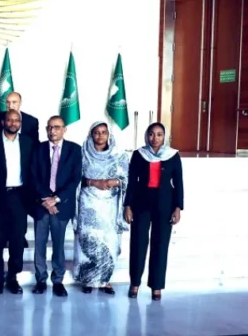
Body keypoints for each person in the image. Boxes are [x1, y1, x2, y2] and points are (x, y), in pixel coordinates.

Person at [125, 122, 183, 301]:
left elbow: (179, 183)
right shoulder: (139, 155)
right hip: (141, 205)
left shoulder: (172, 155)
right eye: (151, 134)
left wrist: (178, 207)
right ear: (146, 136)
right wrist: (128, 206)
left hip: (165, 206)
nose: (155, 138)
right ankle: (135, 283)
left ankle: (156, 286)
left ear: (164, 137)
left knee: (160, 245)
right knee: (138, 244)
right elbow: (132, 182)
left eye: (159, 134)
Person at [73, 121, 129, 295]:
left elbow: (127, 178)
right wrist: (93, 182)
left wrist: (115, 182)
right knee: (88, 238)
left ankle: (105, 280)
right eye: (96, 132)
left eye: (104, 132)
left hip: (109, 205)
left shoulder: (119, 155)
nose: (100, 135)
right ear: (91, 134)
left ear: (108, 134)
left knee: (108, 241)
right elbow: (74, 178)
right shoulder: (82, 154)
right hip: (88, 204)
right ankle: (87, 279)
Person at [31, 116, 81, 297]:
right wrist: (46, 200)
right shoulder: (38, 149)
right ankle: (40, 280)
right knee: (40, 245)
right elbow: (33, 176)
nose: (52, 131)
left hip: (62, 206)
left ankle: (58, 281)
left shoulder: (74, 150)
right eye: (50, 127)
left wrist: (56, 199)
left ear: (64, 129)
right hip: (41, 205)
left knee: (58, 245)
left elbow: (75, 178)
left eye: (57, 127)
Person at [0, 109, 33, 295]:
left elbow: (32, 171)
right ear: (3, 122)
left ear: (20, 124)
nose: (13, 123)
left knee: (17, 240)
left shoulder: (27, 142)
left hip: (19, 196)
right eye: (9, 120)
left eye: (17, 120)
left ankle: (13, 277)